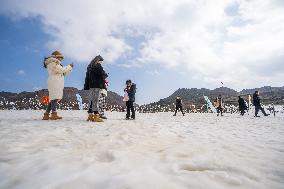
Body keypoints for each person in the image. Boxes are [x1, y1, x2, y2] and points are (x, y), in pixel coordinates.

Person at [42, 50, 73, 120]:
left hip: (57, 81)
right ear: (57, 57)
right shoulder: (52, 63)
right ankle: (54, 114)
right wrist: (69, 67)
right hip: (54, 81)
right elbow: (61, 70)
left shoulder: (56, 63)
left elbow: (63, 73)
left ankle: (46, 114)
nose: (61, 59)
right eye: (60, 58)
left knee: (53, 98)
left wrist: (69, 69)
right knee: (54, 98)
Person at [84, 55, 108, 122]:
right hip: (97, 85)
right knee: (95, 101)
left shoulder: (89, 66)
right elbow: (102, 74)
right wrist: (106, 75)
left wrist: (87, 86)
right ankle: (96, 116)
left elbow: (87, 77)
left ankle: (90, 116)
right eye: (101, 61)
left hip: (91, 85)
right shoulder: (98, 65)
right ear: (98, 60)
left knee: (91, 101)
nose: (101, 63)